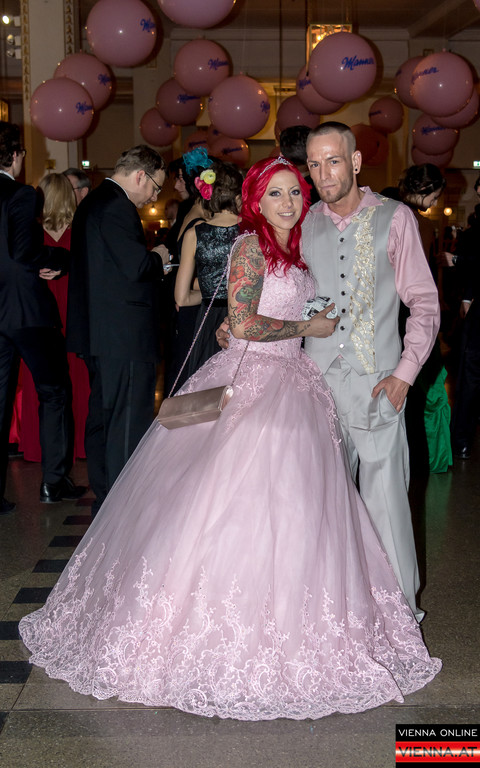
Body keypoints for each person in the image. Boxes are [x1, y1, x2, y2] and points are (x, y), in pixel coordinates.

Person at [19, 157, 441, 720]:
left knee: (298, 511)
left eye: (295, 192)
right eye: (276, 194)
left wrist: (311, 319)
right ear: (256, 202)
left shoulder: (297, 248)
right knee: (226, 502)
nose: (288, 203)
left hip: (297, 383)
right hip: (253, 382)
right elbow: (242, 324)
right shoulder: (249, 246)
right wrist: (308, 326)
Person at [301, 122, 440, 620]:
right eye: (314, 164)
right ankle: (337, 616)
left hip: (379, 385)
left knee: (387, 508)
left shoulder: (395, 218)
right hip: (316, 387)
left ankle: (401, 617)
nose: (323, 174)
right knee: (323, 507)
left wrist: (404, 373)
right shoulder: (304, 222)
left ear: (356, 162)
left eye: (333, 161)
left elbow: (424, 302)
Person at [66, 145, 170, 517]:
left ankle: (107, 491)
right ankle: (122, 504)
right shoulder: (116, 206)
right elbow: (135, 267)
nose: (154, 197)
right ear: (140, 175)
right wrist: (159, 257)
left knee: (104, 416)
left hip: (100, 332)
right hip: (122, 334)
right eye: (155, 187)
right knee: (127, 419)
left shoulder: (93, 202)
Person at [0, 122, 86, 512]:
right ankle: (53, 482)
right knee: (54, 393)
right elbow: (24, 252)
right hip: (28, 312)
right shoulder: (21, 194)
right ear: (15, 156)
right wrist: (60, 258)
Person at [18, 173, 90, 464]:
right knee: (77, 376)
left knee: (41, 380)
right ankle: (79, 445)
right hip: (73, 312)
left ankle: (40, 447)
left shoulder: (31, 234)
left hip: (39, 313)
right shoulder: (81, 233)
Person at [397, 164, 452, 474]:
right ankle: (418, 460)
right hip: (412, 311)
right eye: (435, 195)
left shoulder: (389, 210)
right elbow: (426, 277)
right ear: (426, 190)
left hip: (394, 312)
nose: (435, 202)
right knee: (417, 389)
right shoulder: (417, 222)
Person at [174, 159, 243, 381]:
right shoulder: (253, 230)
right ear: (239, 195)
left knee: (208, 390)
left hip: (208, 321)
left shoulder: (194, 234)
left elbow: (182, 298)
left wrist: (210, 294)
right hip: (245, 317)